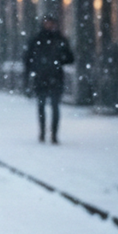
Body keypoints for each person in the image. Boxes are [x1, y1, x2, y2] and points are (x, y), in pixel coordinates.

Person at [24, 15, 75, 144]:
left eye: (50, 23)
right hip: (42, 78)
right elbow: (28, 59)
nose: (48, 25)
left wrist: (58, 61)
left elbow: (70, 57)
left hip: (55, 77)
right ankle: (42, 132)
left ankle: (54, 134)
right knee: (41, 106)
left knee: (54, 106)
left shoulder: (59, 39)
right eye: (46, 23)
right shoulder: (37, 40)